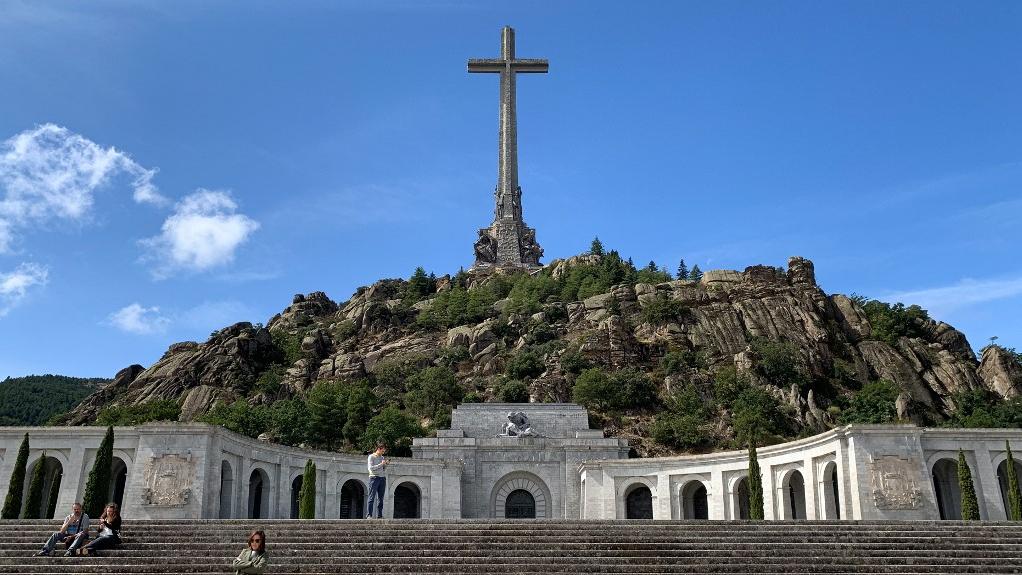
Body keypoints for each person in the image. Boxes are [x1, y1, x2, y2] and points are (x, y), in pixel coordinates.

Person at [366, 442, 388, 518]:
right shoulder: (371, 457)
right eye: (382, 451)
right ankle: (369, 515)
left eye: (384, 452)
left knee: (381, 498)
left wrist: (385, 465)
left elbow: (383, 469)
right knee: (371, 497)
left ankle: (380, 515)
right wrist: (381, 464)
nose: (383, 453)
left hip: (382, 478)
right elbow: (371, 468)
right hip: (374, 478)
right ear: (378, 449)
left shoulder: (382, 457)